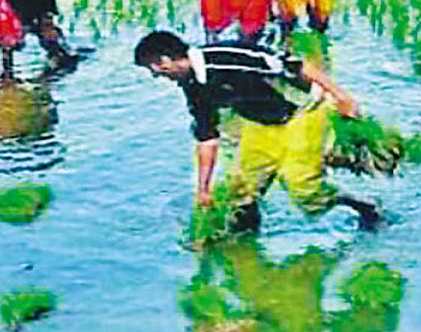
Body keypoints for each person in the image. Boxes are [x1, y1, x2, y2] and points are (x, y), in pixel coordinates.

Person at [134, 31, 380, 232]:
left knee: (303, 189)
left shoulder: (229, 56)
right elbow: (207, 138)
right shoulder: (193, 86)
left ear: (165, 60)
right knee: (242, 192)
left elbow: (295, 65)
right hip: (260, 125)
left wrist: (342, 97)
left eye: (152, 68)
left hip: (303, 113)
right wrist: (204, 190)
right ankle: (246, 243)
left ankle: (364, 206)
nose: (155, 75)